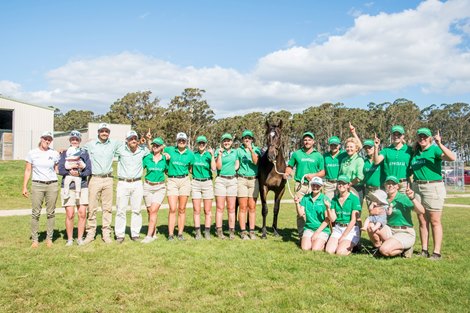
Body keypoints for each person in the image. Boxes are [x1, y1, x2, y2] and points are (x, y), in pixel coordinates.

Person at [411, 128, 455, 260]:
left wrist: (440, 144)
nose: (422, 139)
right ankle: (424, 250)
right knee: (422, 220)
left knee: (435, 220)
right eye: (420, 136)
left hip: (433, 186)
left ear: (430, 138)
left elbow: (452, 158)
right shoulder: (415, 153)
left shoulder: (434, 149)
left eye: (425, 136)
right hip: (417, 186)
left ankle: (436, 252)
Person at [83, 123, 123, 244]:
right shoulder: (90, 144)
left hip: (108, 179)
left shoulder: (114, 144)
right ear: (98, 132)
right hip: (94, 178)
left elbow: (130, 146)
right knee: (92, 207)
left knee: (107, 208)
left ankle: (106, 233)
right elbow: (78, 153)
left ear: (109, 133)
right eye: (102, 131)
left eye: (106, 131)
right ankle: (90, 233)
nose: (104, 133)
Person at [368, 176, 425, 258]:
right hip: (389, 229)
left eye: (393, 184)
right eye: (388, 183)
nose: (390, 185)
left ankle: (405, 249)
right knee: (370, 226)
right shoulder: (383, 199)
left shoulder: (403, 198)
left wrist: (412, 198)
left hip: (404, 231)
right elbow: (376, 216)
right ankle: (378, 248)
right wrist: (371, 212)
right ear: (385, 186)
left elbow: (421, 211)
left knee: (385, 250)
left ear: (398, 186)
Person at [22, 131, 60, 248]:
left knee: (51, 213)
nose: (47, 141)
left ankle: (49, 239)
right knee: (35, 213)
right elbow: (28, 170)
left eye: (49, 139)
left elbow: (56, 169)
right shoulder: (32, 153)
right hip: (37, 185)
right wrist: (24, 186)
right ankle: (35, 240)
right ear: (41, 139)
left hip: (52, 185)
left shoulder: (54, 153)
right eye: (45, 138)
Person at [283, 131, 325, 237]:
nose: (307, 142)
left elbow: (323, 172)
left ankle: (315, 232)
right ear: (303, 141)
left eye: (309, 139)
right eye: (305, 140)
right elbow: (290, 166)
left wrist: (313, 175)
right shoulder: (296, 154)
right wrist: (287, 172)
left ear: (313, 141)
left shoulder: (318, 155)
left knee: (314, 209)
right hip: (300, 185)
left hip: (314, 186)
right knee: (300, 210)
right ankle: (302, 234)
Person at [114, 130, 150, 243]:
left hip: (137, 182)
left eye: (135, 138)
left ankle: (135, 233)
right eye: (131, 139)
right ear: (127, 140)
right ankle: (120, 235)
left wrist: (148, 140)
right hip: (123, 182)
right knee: (120, 210)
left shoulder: (143, 150)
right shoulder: (120, 150)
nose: (133, 140)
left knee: (137, 210)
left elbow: (154, 151)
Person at [58, 130, 92, 246]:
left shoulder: (84, 153)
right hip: (67, 187)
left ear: (80, 141)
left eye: (77, 139)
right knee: (70, 214)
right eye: (72, 139)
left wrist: (79, 174)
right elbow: (61, 169)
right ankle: (70, 239)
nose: (74, 141)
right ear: (70, 140)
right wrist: (70, 172)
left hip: (82, 186)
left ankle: (80, 238)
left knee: (82, 213)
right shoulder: (64, 153)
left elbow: (88, 170)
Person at [164, 132, 195, 241]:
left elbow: (191, 168)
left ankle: (180, 234)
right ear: (176, 141)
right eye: (179, 140)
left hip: (185, 181)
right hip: (172, 180)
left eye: (183, 140)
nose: (181, 142)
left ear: (186, 141)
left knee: (182, 209)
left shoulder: (191, 154)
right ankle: (171, 234)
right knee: (173, 208)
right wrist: (164, 154)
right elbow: (156, 149)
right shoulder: (170, 150)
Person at [295, 177, 335, 251]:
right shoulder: (306, 198)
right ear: (311, 185)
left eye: (318, 185)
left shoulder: (325, 199)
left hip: (322, 230)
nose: (315, 187)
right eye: (313, 185)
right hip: (309, 228)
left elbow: (327, 219)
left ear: (321, 187)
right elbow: (300, 214)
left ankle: (325, 242)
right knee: (305, 248)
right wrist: (297, 204)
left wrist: (317, 232)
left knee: (315, 249)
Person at [141, 137, 169, 244]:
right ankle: (154, 232)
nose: (155, 147)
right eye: (154, 145)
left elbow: (167, 171)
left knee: (153, 210)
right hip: (147, 186)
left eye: (158, 145)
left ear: (162, 147)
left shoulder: (165, 159)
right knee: (150, 211)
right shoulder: (147, 158)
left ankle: (148, 236)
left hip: (160, 188)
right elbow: (140, 168)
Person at [325, 175, 362, 255]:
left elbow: (353, 220)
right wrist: (328, 208)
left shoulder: (354, 199)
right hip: (338, 228)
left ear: (348, 185)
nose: (341, 185)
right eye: (339, 183)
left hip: (350, 229)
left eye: (344, 183)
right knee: (329, 251)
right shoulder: (334, 199)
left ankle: (354, 244)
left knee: (340, 252)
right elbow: (333, 219)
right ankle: (343, 244)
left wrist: (344, 236)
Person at [237, 130, 261, 240]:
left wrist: (251, 150)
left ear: (252, 139)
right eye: (245, 138)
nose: (247, 139)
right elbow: (236, 165)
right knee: (243, 207)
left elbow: (256, 162)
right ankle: (243, 231)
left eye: (249, 138)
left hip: (254, 180)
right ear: (242, 140)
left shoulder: (257, 150)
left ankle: (251, 231)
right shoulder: (238, 150)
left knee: (252, 207)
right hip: (242, 179)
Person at [373, 125, 412, 193]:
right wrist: (376, 147)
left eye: (399, 134)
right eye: (394, 134)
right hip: (389, 184)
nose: (396, 136)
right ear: (391, 135)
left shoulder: (409, 150)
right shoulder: (386, 150)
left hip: (404, 184)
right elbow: (376, 161)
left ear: (403, 136)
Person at [214, 133, 239, 240]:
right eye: (224, 141)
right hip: (221, 180)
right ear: (222, 142)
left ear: (231, 142)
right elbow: (218, 167)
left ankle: (231, 231)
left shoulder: (235, 152)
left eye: (228, 140)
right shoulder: (218, 151)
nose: (226, 142)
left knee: (231, 208)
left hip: (232, 180)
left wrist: (233, 170)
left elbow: (237, 164)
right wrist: (219, 155)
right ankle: (219, 230)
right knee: (220, 207)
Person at [191, 135, 216, 240]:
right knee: (196, 210)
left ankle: (207, 231)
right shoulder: (193, 155)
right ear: (197, 144)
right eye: (200, 143)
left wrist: (213, 155)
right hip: (196, 183)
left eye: (203, 143)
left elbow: (214, 168)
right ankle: (197, 232)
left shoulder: (209, 155)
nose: (201, 145)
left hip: (207, 183)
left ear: (206, 144)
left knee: (207, 210)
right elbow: (190, 169)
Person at [339, 137, 364, 203]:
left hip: (356, 188)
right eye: (347, 147)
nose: (349, 149)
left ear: (356, 148)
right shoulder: (344, 160)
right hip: (345, 189)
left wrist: (349, 184)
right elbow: (341, 174)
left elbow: (360, 177)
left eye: (351, 147)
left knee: (356, 211)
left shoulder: (359, 160)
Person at [323, 136, 347, 200]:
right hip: (329, 184)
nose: (333, 147)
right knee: (328, 204)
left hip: (341, 183)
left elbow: (359, 148)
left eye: (335, 145)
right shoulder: (325, 156)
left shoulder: (344, 154)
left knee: (341, 203)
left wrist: (354, 133)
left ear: (339, 145)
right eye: (332, 145)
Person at [362, 139, 384, 204]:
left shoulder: (381, 159)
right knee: (371, 211)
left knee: (380, 211)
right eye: (366, 148)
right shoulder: (364, 161)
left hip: (379, 189)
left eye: (370, 147)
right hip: (368, 190)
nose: (368, 149)